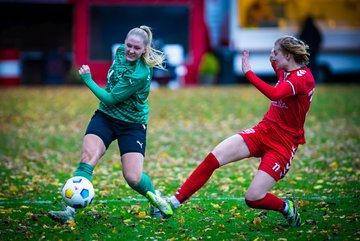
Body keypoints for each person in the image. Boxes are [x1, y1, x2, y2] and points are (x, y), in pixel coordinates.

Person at [148, 35, 316, 227]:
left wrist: (249, 73)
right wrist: (272, 60)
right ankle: (173, 203)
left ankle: (286, 207)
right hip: (264, 131)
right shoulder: (286, 71)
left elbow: (275, 93)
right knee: (214, 157)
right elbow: (278, 76)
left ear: (287, 55)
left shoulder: (303, 78)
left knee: (253, 198)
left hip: (283, 145)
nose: (273, 56)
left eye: (276, 52)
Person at [48, 25, 173, 223]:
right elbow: (109, 101)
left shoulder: (140, 73)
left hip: (132, 124)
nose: (131, 50)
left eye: (136, 48)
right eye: (128, 45)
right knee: (88, 157)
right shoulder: (120, 52)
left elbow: (111, 99)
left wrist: (88, 80)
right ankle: (69, 211)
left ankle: (155, 197)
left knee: (133, 177)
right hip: (105, 117)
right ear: (124, 43)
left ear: (144, 50)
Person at [299, 16, 322, 81]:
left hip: (306, 51)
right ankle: (315, 79)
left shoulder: (304, 29)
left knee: (306, 66)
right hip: (314, 52)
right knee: (314, 66)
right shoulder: (315, 29)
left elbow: (300, 39)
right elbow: (319, 39)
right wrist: (316, 47)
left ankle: (307, 80)